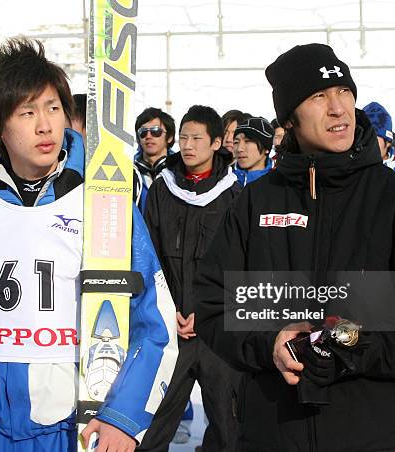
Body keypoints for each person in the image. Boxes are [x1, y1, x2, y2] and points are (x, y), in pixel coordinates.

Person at [0, 38, 177, 452]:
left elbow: (153, 321)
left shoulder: (105, 205)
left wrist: (124, 418)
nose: (46, 125)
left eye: (53, 108)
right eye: (26, 113)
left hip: (72, 429)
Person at [194, 43, 395, 452]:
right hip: (271, 434)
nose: (339, 108)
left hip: (376, 436)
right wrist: (270, 343)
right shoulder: (255, 204)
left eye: (345, 92)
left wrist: (360, 345)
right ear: (290, 118)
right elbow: (215, 303)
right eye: (319, 96)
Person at [140, 105, 241, 452]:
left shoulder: (234, 195)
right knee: (154, 424)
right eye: (183, 137)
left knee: (230, 425)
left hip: (217, 328)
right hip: (170, 325)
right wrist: (170, 310)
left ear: (216, 143)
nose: (187, 145)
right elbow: (148, 255)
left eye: (197, 138)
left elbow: (240, 263)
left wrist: (209, 310)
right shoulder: (161, 190)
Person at [232, 116, 274, 186]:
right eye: (236, 142)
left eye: (247, 141)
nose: (239, 149)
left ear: (266, 148)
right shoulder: (225, 180)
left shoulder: (279, 182)